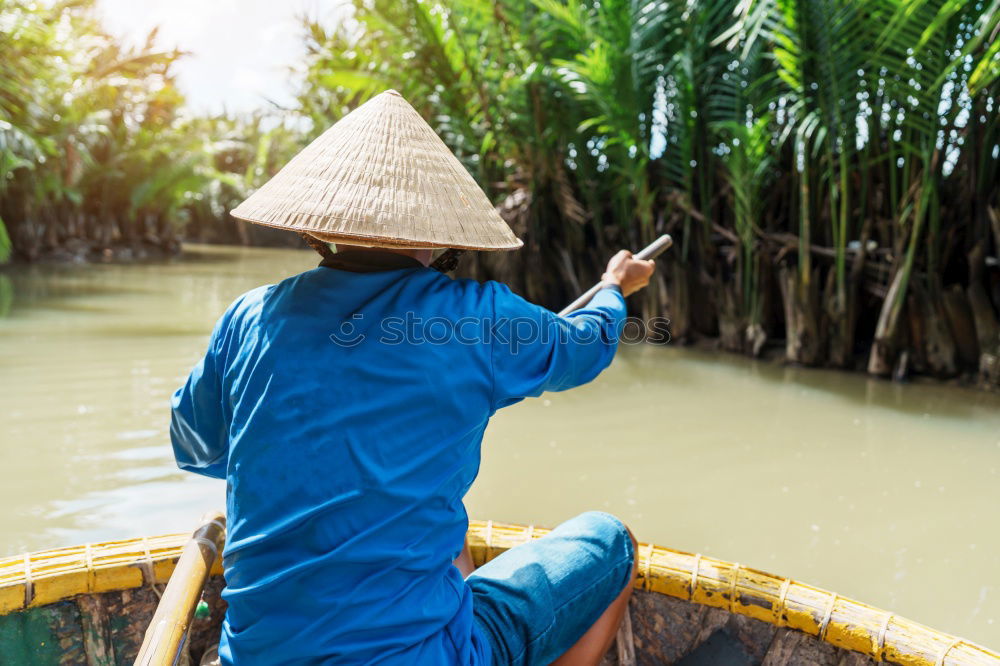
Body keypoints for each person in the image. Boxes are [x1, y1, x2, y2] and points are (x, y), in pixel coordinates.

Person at [171, 90, 656, 665]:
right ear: (440, 233)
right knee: (611, 541)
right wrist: (611, 288)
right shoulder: (479, 319)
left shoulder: (250, 317)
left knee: (454, 546)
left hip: (256, 657)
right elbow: (585, 345)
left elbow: (193, 446)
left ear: (320, 226)